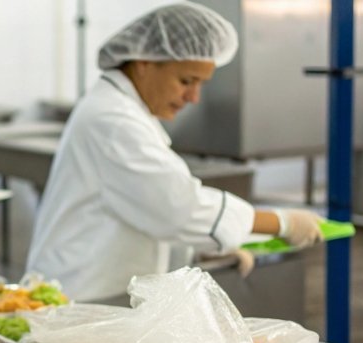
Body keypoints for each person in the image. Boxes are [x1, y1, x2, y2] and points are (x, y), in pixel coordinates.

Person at [27, 3, 324, 303]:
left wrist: (204, 245)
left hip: (100, 291)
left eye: (200, 84)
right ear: (144, 63)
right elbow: (177, 208)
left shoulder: (123, 109)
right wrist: (280, 223)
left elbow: (146, 207)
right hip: (84, 295)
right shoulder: (114, 119)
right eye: (185, 81)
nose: (193, 97)